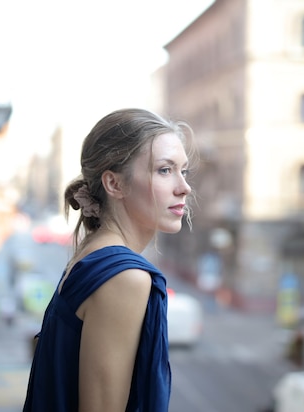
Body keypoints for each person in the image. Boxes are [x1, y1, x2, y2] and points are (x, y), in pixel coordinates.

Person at [22, 108, 195, 412]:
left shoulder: (93, 252)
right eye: (165, 170)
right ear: (114, 184)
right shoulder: (123, 277)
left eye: (184, 171)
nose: (184, 187)